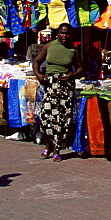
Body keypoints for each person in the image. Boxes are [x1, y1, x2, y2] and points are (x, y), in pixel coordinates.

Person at [32, 23, 80, 161]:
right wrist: (39, 76)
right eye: (62, 33)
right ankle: (48, 146)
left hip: (66, 86)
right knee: (46, 118)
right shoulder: (49, 46)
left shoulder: (73, 50)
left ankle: (57, 150)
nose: (64, 36)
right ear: (57, 33)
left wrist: (73, 75)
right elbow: (37, 61)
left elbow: (81, 67)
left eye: (67, 33)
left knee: (62, 120)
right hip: (50, 85)